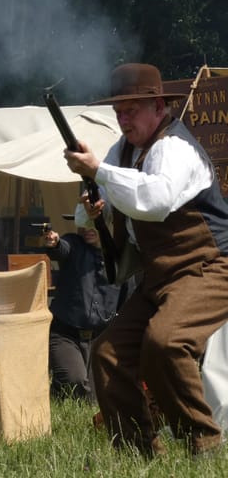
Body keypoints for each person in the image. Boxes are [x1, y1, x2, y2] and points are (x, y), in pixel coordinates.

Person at [64, 62, 228, 458]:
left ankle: (203, 444)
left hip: (210, 269)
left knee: (166, 342)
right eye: (119, 111)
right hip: (160, 278)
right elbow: (87, 213)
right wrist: (94, 200)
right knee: (106, 355)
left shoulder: (177, 147)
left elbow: (154, 201)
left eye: (131, 109)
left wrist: (99, 172)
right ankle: (140, 453)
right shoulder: (121, 151)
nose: (123, 119)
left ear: (158, 106)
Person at [42, 214, 123, 402]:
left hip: (100, 338)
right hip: (66, 335)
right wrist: (54, 243)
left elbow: (127, 298)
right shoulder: (74, 244)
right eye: (83, 223)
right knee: (75, 382)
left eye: (92, 224)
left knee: (96, 399)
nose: (87, 228)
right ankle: (56, 394)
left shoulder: (120, 256)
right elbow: (61, 249)